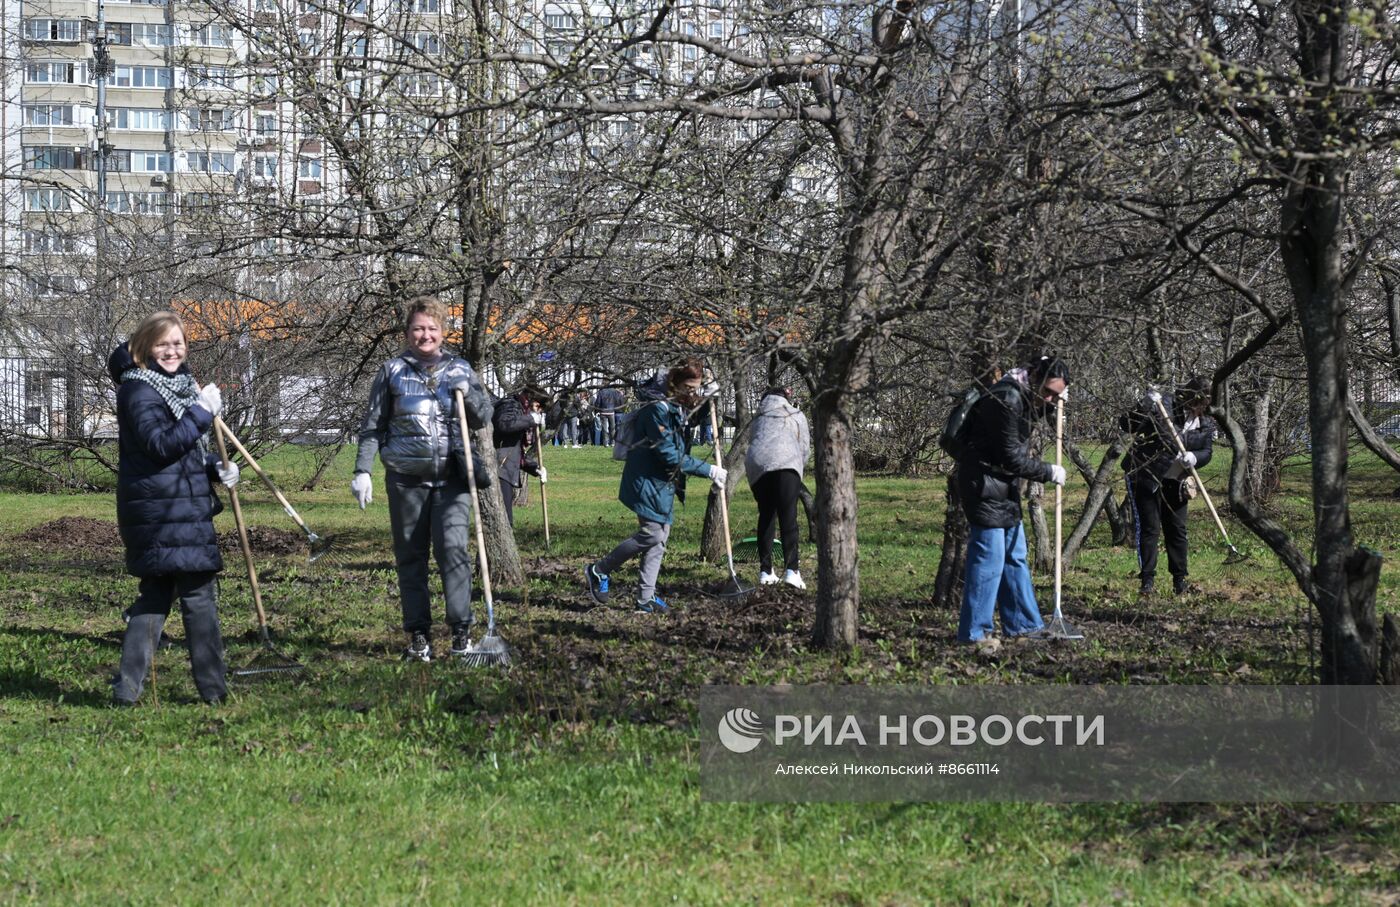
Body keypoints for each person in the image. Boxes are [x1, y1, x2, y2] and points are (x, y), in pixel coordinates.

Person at [108, 310, 240, 706]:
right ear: (146, 346)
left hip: (177, 508)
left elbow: (179, 454)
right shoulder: (139, 390)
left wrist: (216, 469)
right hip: (160, 512)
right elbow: (160, 446)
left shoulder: (176, 386)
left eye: (178, 343)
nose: (172, 351)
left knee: (162, 596)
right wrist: (201, 412)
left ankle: (128, 693)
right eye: (163, 344)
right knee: (190, 597)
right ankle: (212, 693)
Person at [351, 296, 494, 662]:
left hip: (452, 479)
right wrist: (362, 470)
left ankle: (461, 633)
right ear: (407, 332)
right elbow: (372, 427)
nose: (424, 335)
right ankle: (419, 636)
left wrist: (471, 391)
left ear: (443, 332)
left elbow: (481, 418)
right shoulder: (392, 371)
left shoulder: (459, 368)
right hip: (405, 481)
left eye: (432, 328)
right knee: (410, 558)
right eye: (418, 328)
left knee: (453, 552)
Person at [584, 361, 726, 613]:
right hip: (645, 480)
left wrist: (710, 399)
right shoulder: (655, 410)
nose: (692, 393)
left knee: (660, 539)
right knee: (653, 534)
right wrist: (709, 470)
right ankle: (599, 570)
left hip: (662, 483)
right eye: (688, 387)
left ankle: (644, 599)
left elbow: (691, 419)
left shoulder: (676, 406)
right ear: (673, 384)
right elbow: (669, 454)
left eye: (696, 388)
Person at [955, 355, 1071, 650]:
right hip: (982, 483)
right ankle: (975, 634)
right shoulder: (1005, 398)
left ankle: (1024, 625)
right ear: (1034, 377)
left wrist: (1055, 405)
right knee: (988, 560)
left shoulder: (1026, 394)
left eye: (1055, 394)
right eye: (1048, 391)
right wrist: (1047, 471)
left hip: (1003, 486)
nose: (1049, 398)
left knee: (1014, 555)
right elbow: (1010, 456)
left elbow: (1031, 415)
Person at [1120, 376, 1215, 598]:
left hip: (1177, 481)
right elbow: (1128, 424)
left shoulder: (1206, 421)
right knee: (1150, 529)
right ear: (1192, 397)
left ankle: (1180, 581)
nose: (1203, 408)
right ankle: (1147, 582)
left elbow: (1207, 452)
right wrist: (1144, 404)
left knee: (1177, 531)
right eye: (1201, 403)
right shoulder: (1164, 406)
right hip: (1146, 474)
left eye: (1206, 405)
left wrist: (1195, 457)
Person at [744, 386, 811, 589]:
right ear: (785, 398)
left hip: (757, 466)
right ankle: (792, 571)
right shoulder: (795, 413)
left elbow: (753, 440)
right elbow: (805, 447)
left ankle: (766, 572)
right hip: (786, 462)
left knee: (766, 515)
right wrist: (799, 468)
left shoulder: (757, 417)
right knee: (788, 516)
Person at [492, 383, 548, 526]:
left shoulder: (522, 411)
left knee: (506, 519)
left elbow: (516, 450)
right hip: (497, 467)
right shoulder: (511, 406)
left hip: (505, 468)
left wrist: (534, 468)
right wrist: (530, 419)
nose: (540, 411)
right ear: (531, 400)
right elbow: (504, 425)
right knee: (503, 519)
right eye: (539, 406)